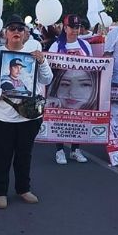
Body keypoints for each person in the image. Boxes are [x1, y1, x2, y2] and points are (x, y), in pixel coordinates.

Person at [0, 15, 53, 209]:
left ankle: (23, 188)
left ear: (25, 33)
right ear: (5, 32)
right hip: (2, 116)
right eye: (12, 28)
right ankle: (0, 192)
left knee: (24, 154)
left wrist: (43, 62)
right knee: (3, 155)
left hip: (29, 116)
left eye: (20, 29)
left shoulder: (33, 53)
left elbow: (47, 80)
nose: (16, 32)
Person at [46, 14, 93, 164]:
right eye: (72, 27)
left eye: (77, 27)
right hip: (61, 88)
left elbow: (93, 67)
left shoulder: (85, 45)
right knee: (60, 118)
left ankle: (75, 149)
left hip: (79, 89)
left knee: (78, 119)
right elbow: (49, 68)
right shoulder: (56, 46)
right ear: (65, 28)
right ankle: (59, 150)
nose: (75, 30)